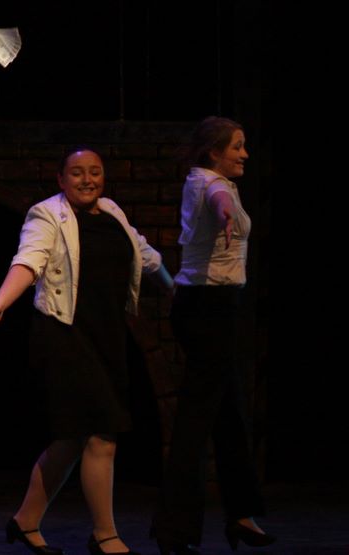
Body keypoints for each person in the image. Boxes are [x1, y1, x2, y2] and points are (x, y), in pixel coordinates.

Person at [0, 148, 173, 555]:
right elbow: (29, 260)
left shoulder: (113, 212)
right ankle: (105, 535)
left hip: (107, 335)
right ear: (61, 180)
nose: (87, 180)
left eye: (95, 172)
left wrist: (174, 290)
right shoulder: (47, 214)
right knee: (102, 433)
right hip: (65, 335)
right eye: (77, 173)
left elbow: (146, 255)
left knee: (73, 437)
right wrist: (2, 302)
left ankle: (25, 520)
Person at [152, 118, 273, 555]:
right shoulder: (210, 184)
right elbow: (218, 200)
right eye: (237, 147)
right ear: (213, 152)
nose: (244, 154)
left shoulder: (208, 180)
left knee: (229, 412)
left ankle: (240, 513)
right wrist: (224, 212)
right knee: (197, 418)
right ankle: (174, 529)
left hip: (213, 307)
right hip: (208, 309)